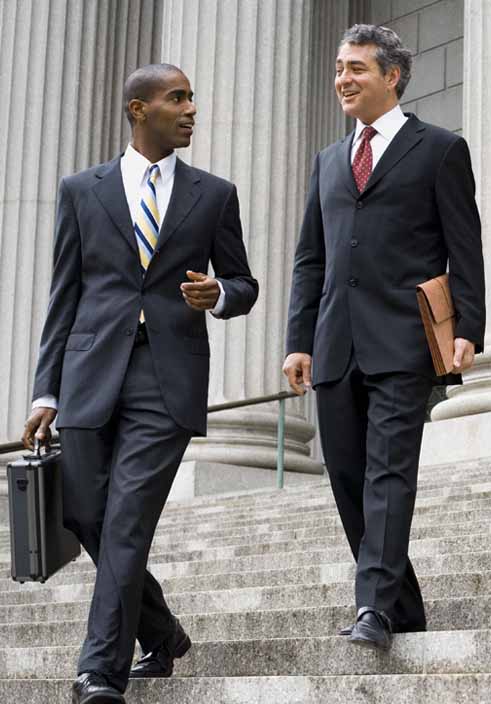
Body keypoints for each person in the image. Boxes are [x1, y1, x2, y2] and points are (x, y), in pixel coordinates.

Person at [23, 63, 258, 704]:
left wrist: (221, 294)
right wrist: (46, 392)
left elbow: (244, 282)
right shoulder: (82, 189)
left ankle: (99, 671)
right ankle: (161, 630)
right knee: (86, 515)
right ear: (137, 109)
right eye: (175, 99)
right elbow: (63, 296)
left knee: (126, 522)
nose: (190, 110)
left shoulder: (213, 193)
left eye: (191, 99)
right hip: (89, 375)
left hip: (168, 379)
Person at [283, 24, 485, 651]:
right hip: (337, 343)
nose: (343, 78)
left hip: (403, 342)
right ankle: (404, 605)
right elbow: (310, 259)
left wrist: (468, 330)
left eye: (357, 69)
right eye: (340, 68)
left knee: (389, 474)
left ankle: (373, 606)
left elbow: (464, 248)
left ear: (392, 76)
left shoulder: (440, 149)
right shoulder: (327, 161)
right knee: (346, 475)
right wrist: (299, 339)